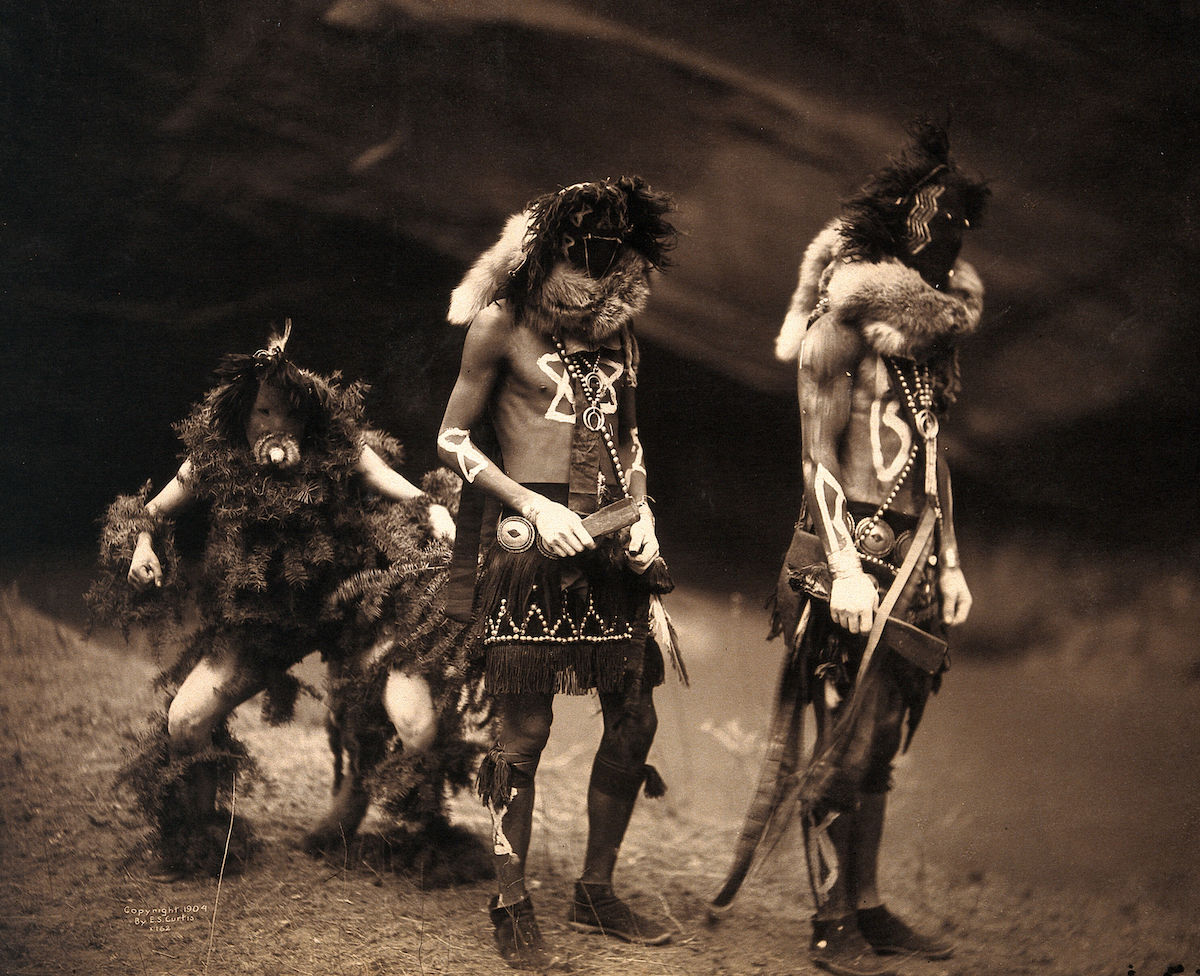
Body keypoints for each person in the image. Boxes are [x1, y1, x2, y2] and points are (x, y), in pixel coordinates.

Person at [714, 123, 989, 976]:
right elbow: (817, 454)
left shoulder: (935, 336)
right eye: (937, 220)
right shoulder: (840, 320)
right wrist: (839, 567)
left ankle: (867, 907)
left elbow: (932, 454)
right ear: (902, 224)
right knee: (843, 741)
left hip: (910, 560)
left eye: (962, 227)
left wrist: (948, 560)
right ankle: (830, 919)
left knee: (881, 744)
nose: (952, 237)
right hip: (851, 555)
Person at [89, 323, 460, 878]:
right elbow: (148, 511)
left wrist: (434, 508)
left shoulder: (339, 449)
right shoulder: (212, 458)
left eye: (288, 414)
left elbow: (396, 485)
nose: (276, 426)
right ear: (243, 413)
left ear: (308, 416)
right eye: (263, 413)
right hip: (256, 626)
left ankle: (405, 830)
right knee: (186, 721)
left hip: (347, 609)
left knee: (417, 724)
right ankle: (201, 839)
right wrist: (142, 545)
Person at [437, 177, 686, 971]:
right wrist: (530, 506)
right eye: (585, 253)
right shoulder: (500, 325)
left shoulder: (620, 338)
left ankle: (596, 889)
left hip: (612, 542)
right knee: (526, 733)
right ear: (551, 252)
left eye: (613, 255)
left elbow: (632, 443)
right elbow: (451, 439)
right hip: (530, 544)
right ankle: (510, 899)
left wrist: (643, 514)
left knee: (635, 718)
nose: (598, 269)